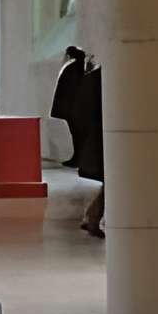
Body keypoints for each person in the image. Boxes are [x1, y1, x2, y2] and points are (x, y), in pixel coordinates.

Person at [51, 45, 105, 236]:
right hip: (99, 141)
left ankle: (92, 218)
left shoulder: (88, 75)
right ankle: (92, 218)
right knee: (111, 185)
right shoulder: (94, 77)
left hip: (96, 139)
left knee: (110, 186)